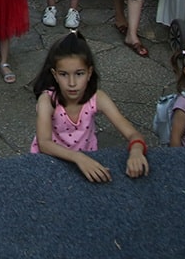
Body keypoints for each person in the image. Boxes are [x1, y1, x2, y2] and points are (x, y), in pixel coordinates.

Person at [29, 32, 149, 183]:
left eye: (79, 74)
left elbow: (133, 134)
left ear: (89, 73)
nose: (72, 83)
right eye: (64, 74)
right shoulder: (47, 100)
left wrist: (137, 150)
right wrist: (78, 157)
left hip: (87, 162)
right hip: (50, 161)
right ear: (54, 75)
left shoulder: (97, 98)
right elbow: (44, 143)